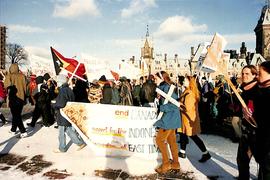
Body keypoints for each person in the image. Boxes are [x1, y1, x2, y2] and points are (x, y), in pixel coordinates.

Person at [244, 61, 270, 179]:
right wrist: (248, 115)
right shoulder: (261, 90)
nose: (257, 76)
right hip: (262, 144)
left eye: (260, 73)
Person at [178, 76, 211, 163]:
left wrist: (178, 105)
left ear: (190, 82)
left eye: (185, 80)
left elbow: (187, 108)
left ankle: (206, 153)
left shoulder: (190, 93)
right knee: (183, 133)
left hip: (189, 119)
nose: (183, 81)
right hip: (186, 118)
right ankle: (182, 152)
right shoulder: (187, 91)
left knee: (193, 136)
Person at [153, 71, 181, 174]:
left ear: (161, 78)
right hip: (171, 119)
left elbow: (175, 105)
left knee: (159, 140)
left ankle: (166, 164)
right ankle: (175, 163)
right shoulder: (164, 87)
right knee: (172, 141)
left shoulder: (166, 88)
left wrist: (161, 107)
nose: (154, 80)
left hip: (168, 120)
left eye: (156, 78)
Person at [52, 74, 86, 153]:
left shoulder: (63, 90)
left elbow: (61, 103)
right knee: (69, 130)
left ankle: (62, 148)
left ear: (61, 82)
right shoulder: (68, 89)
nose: (57, 83)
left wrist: (54, 104)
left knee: (61, 132)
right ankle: (80, 143)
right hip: (67, 113)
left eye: (57, 81)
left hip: (63, 114)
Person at [236, 65, 259, 180]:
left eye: (247, 74)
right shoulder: (244, 89)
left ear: (255, 75)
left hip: (257, 132)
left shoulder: (258, 90)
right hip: (246, 131)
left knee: (263, 162)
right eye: (243, 73)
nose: (244, 76)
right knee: (242, 159)